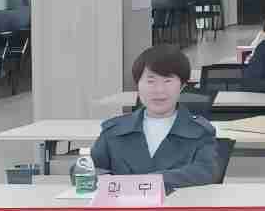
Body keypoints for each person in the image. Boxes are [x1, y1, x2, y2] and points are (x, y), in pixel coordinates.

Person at [92, 46, 221, 190]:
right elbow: (89, 169)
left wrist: (153, 180)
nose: (159, 90)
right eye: (150, 81)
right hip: (123, 203)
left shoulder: (200, 131)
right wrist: (104, 179)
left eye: (167, 81)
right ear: (137, 85)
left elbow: (206, 172)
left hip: (177, 203)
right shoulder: (113, 131)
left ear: (182, 86)